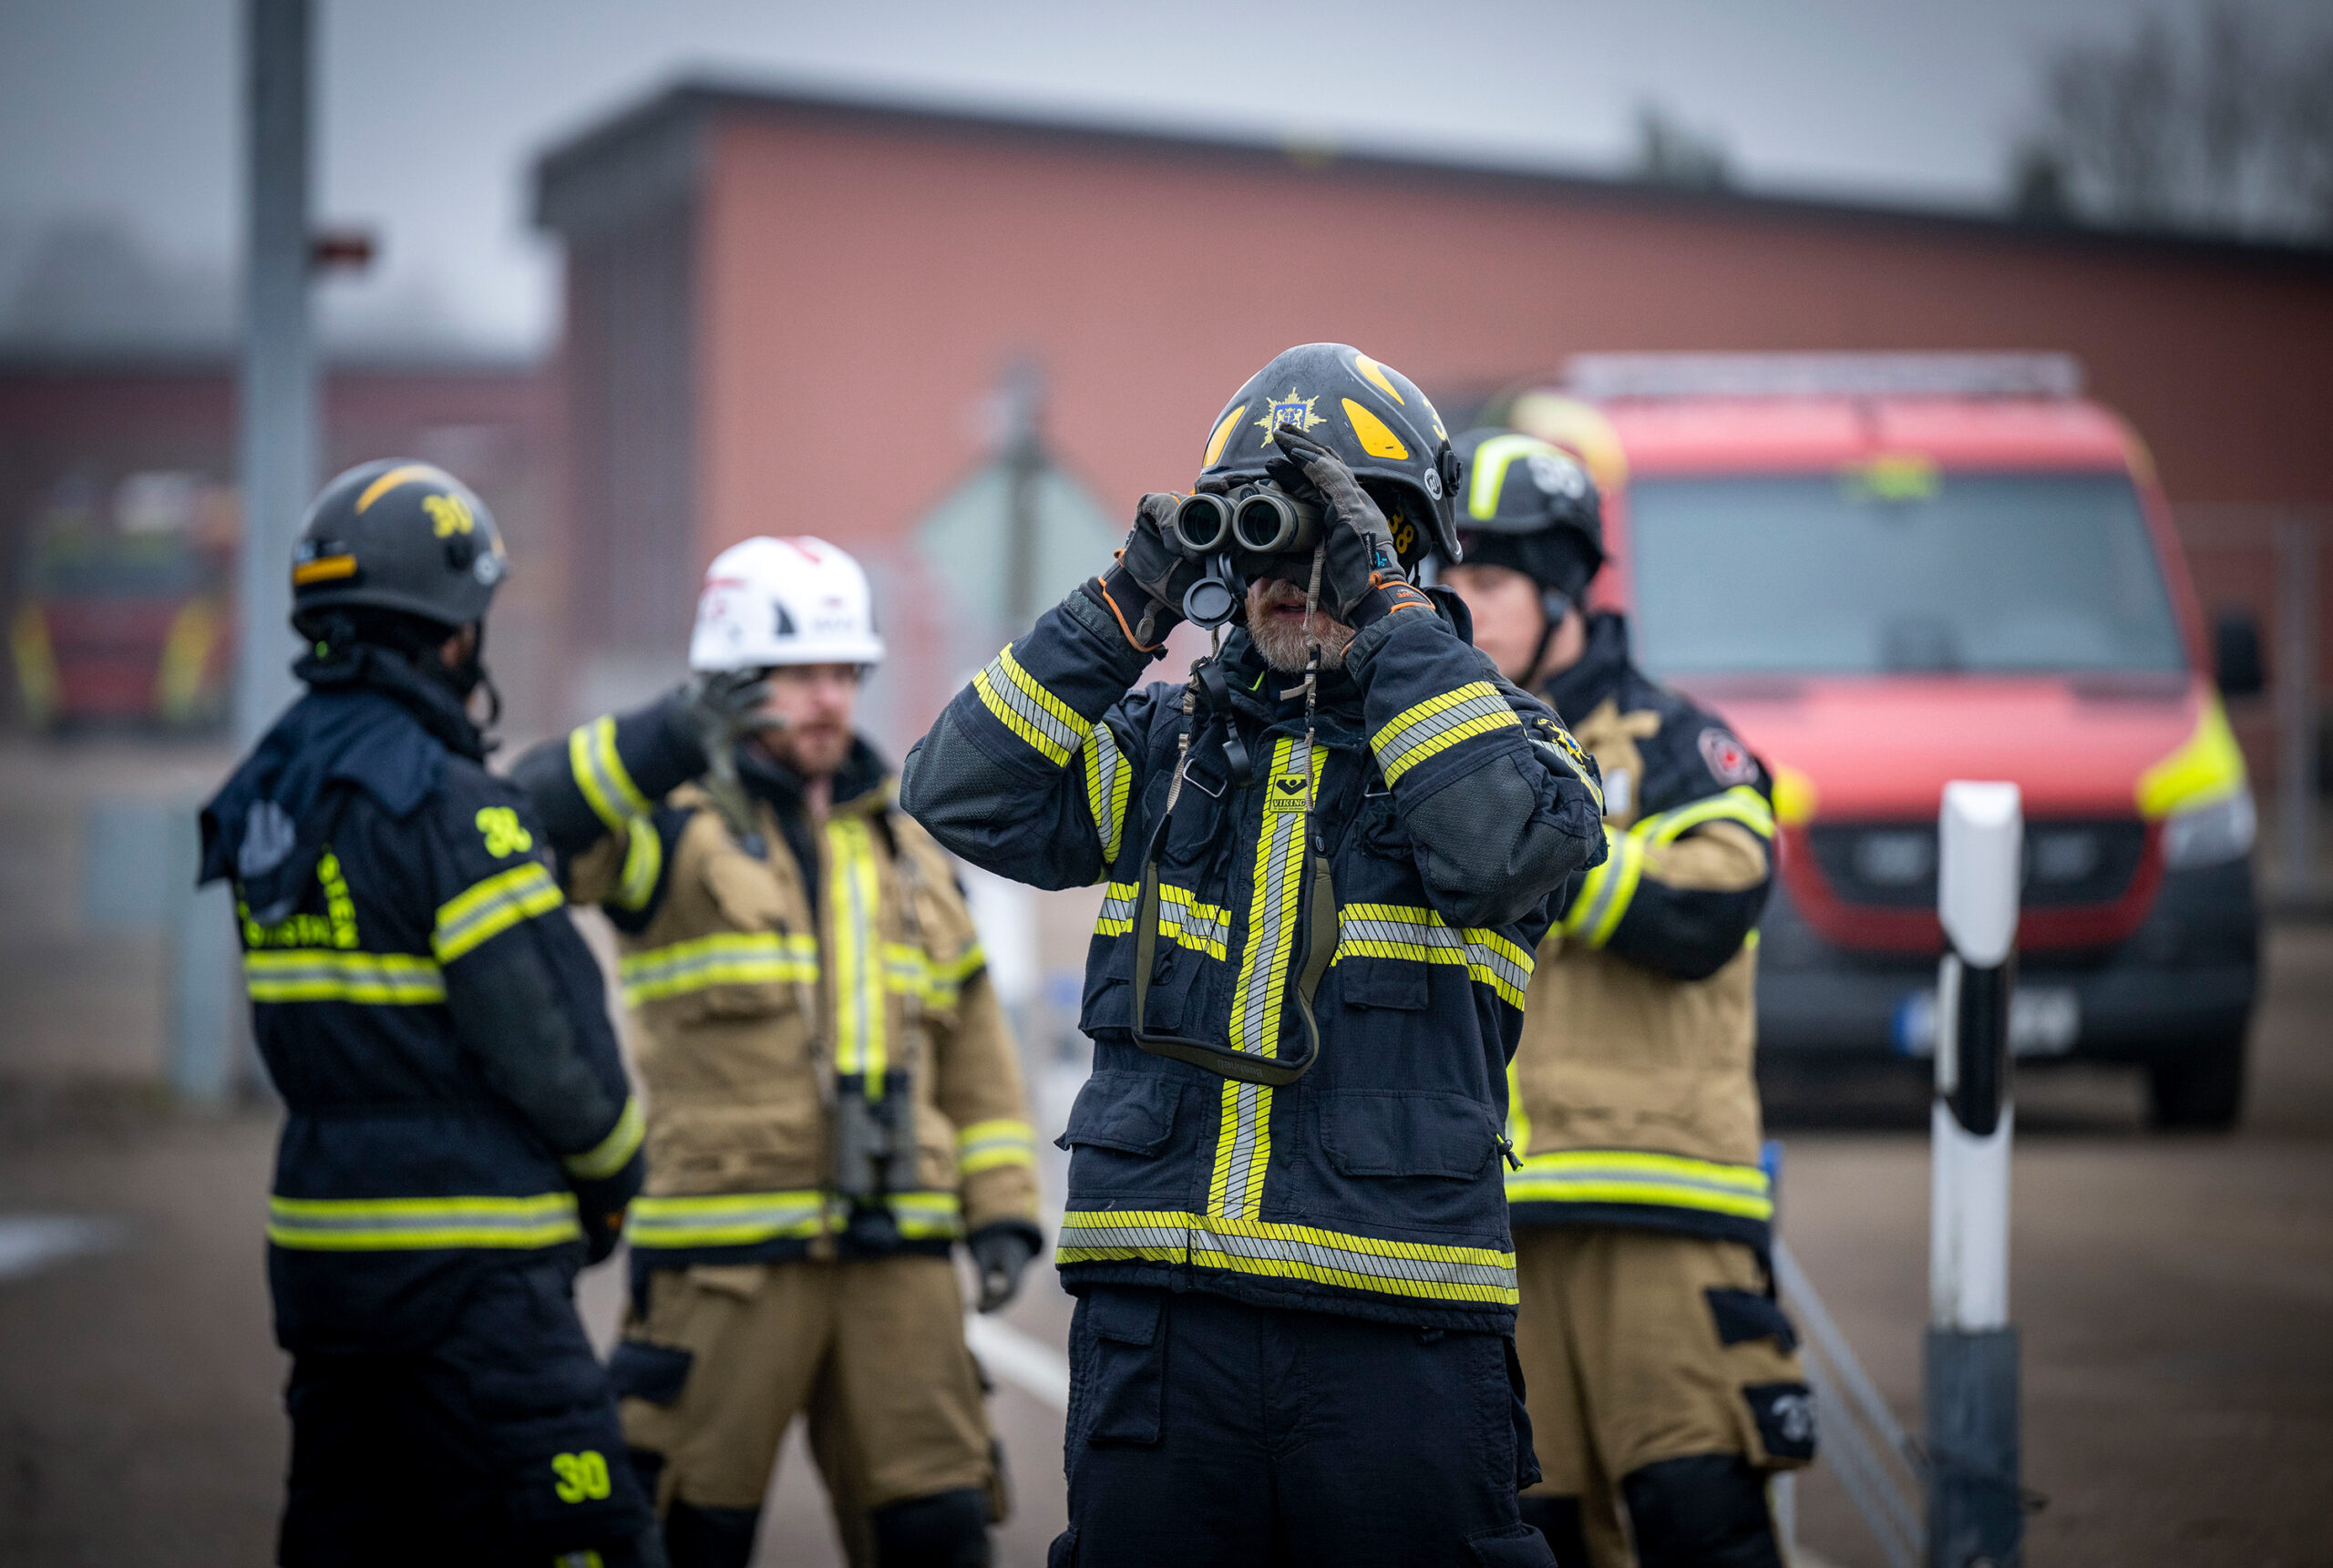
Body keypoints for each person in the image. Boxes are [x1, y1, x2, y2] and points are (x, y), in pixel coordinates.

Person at [898, 343, 1608, 1567]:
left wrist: (1382, 613)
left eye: (1332, 537)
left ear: (1404, 550)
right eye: (1266, 540)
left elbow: (1504, 850)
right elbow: (956, 790)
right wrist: (1126, 599)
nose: (1291, 576)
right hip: (1161, 1332)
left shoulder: (1515, 748)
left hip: (1397, 1336)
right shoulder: (1162, 746)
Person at [510, 536, 1043, 1568]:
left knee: (938, 1530)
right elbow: (523, 822)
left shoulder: (908, 845)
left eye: (845, 672)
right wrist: (661, 739)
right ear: (728, 680)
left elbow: (975, 1047)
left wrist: (1002, 1207)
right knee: (678, 1532)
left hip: (900, 1259)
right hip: (723, 1269)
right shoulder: (664, 828)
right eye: (799, 675)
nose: (829, 700)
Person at [200, 459, 657, 1567]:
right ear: (455, 631)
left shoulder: (266, 794)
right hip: (476, 1278)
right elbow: (549, 1044)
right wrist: (613, 1174)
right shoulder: (451, 806)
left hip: (325, 1268)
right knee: (594, 1537)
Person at [1443, 429, 1814, 1568]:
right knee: (1525, 1539)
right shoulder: (1423, 755)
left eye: (1489, 579)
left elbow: (1715, 904)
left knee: (1699, 1518)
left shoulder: (1678, 743)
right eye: (1444, 576)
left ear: (1561, 591)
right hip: (1486, 1222)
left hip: (1662, 1203)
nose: (1459, 602)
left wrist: (1541, 849)